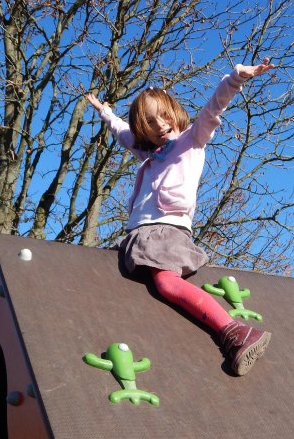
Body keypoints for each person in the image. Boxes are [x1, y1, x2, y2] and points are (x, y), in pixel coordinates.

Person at [86, 58, 274, 376]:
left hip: (167, 232)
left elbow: (212, 110)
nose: (159, 125)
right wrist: (106, 112)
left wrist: (235, 79)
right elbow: (123, 133)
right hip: (139, 235)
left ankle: (234, 331)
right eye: (150, 122)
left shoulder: (191, 141)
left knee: (166, 283)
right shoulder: (150, 154)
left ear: (174, 113)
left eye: (163, 116)